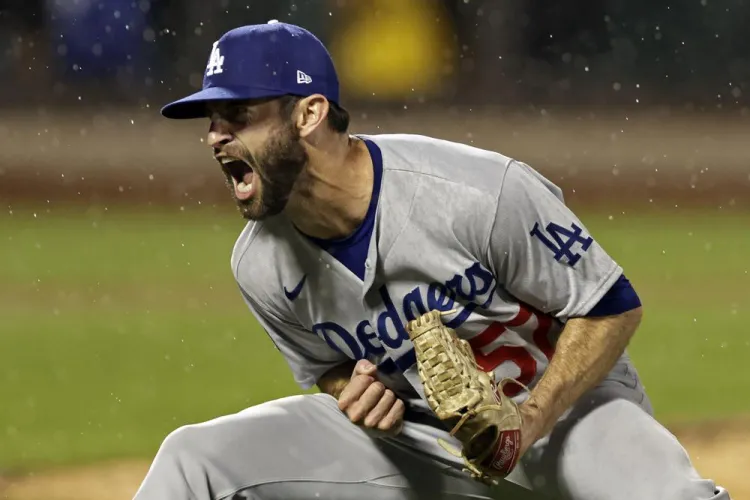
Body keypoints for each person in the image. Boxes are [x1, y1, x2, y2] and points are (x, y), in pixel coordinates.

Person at [135, 21, 730, 500]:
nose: (214, 135)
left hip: (568, 420)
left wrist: (528, 424)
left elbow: (610, 308)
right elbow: (326, 368)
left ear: (309, 114)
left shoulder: (474, 193)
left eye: (237, 116)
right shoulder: (261, 265)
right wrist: (356, 391)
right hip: (416, 442)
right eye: (211, 121)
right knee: (194, 458)